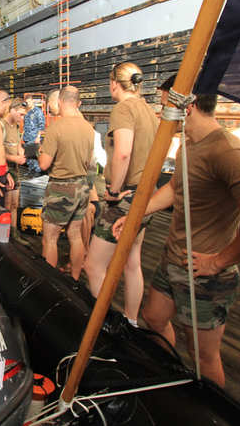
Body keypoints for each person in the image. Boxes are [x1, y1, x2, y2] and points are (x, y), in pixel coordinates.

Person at [112, 94, 240, 386]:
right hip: (173, 259)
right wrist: (138, 214)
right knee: (153, 319)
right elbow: (177, 187)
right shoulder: (188, 146)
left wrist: (219, 261)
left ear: (186, 106)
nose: (160, 111)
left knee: (203, 356)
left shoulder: (228, 152)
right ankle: (170, 378)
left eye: (165, 104)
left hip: (205, 274)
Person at [84, 62, 159, 326]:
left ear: (114, 83)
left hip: (124, 197)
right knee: (131, 261)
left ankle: (103, 326)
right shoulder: (149, 111)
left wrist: (114, 191)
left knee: (94, 266)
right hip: (146, 195)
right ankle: (131, 321)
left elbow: (123, 152)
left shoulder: (123, 108)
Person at [37, 86, 95, 279]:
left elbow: (44, 164)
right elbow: (89, 162)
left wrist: (39, 151)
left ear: (60, 101)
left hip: (61, 187)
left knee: (50, 239)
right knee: (76, 235)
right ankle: (76, 279)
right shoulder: (88, 127)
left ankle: (51, 283)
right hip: (82, 186)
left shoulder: (56, 128)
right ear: (77, 102)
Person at [2, 98, 27, 229]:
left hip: (15, 170)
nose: (22, 118)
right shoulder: (1, 126)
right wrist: (14, 158)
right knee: (6, 206)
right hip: (4, 170)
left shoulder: (16, 126)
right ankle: (6, 236)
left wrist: (21, 152)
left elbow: (17, 144)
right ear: (12, 110)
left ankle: (14, 233)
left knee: (14, 205)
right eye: (20, 114)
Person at [23, 100, 46, 174]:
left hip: (34, 137)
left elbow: (41, 125)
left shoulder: (37, 111)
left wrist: (38, 137)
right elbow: (25, 125)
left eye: (29, 102)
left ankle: (37, 173)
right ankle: (30, 171)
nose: (28, 103)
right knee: (29, 157)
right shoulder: (27, 112)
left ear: (32, 102)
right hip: (27, 137)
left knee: (35, 157)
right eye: (26, 102)